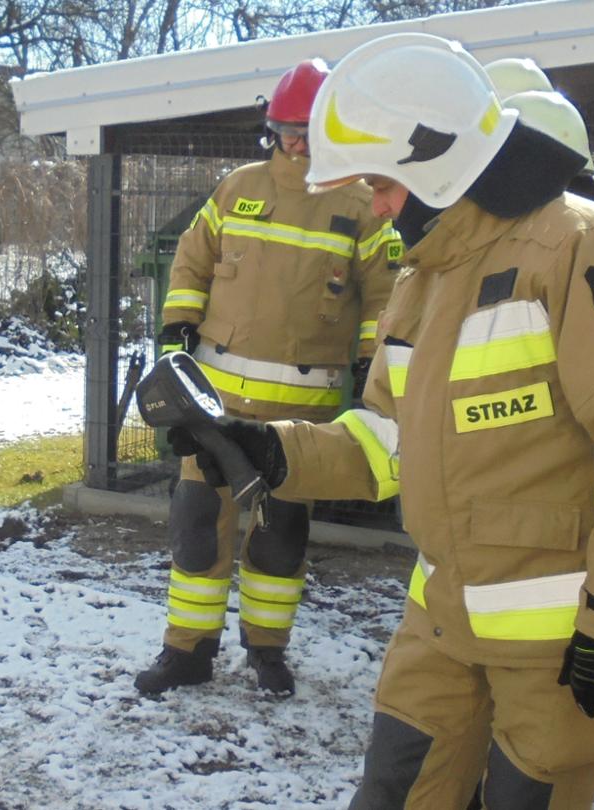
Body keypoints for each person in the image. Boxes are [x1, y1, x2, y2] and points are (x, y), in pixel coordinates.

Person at [183, 33, 594, 806]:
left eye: (382, 183)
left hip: (559, 644)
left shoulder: (581, 246)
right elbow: (384, 441)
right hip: (439, 622)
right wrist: (265, 449)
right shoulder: (423, 277)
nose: (378, 204)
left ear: (435, 161)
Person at [135, 58, 402, 698]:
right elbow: (191, 266)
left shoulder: (364, 205)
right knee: (197, 529)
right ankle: (188, 654)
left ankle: (267, 652)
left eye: (309, 130)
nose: (298, 143)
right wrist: (176, 331)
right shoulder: (236, 189)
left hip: (299, 422)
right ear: (272, 128)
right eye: (288, 130)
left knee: (281, 540)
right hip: (213, 402)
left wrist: (371, 363)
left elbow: (386, 297)